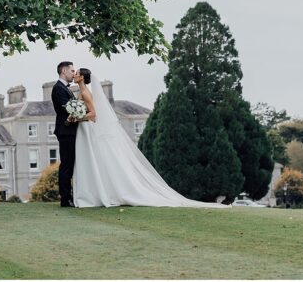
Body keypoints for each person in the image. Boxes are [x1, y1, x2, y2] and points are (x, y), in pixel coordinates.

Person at [71, 67, 229, 209]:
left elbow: (93, 115)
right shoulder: (81, 92)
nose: (75, 75)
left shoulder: (85, 93)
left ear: (83, 78)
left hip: (86, 127)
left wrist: (76, 118)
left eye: (77, 73)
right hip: (84, 130)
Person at [51, 61, 77, 208]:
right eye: (72, 71)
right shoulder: (58, 89)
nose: (74, 74)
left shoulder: (65, 88)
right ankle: (65, 199)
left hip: (70, 130)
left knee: (69, 164)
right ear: (64, 71)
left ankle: (69, 197)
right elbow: (69, 109)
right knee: (67, 165)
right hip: (66, 130)